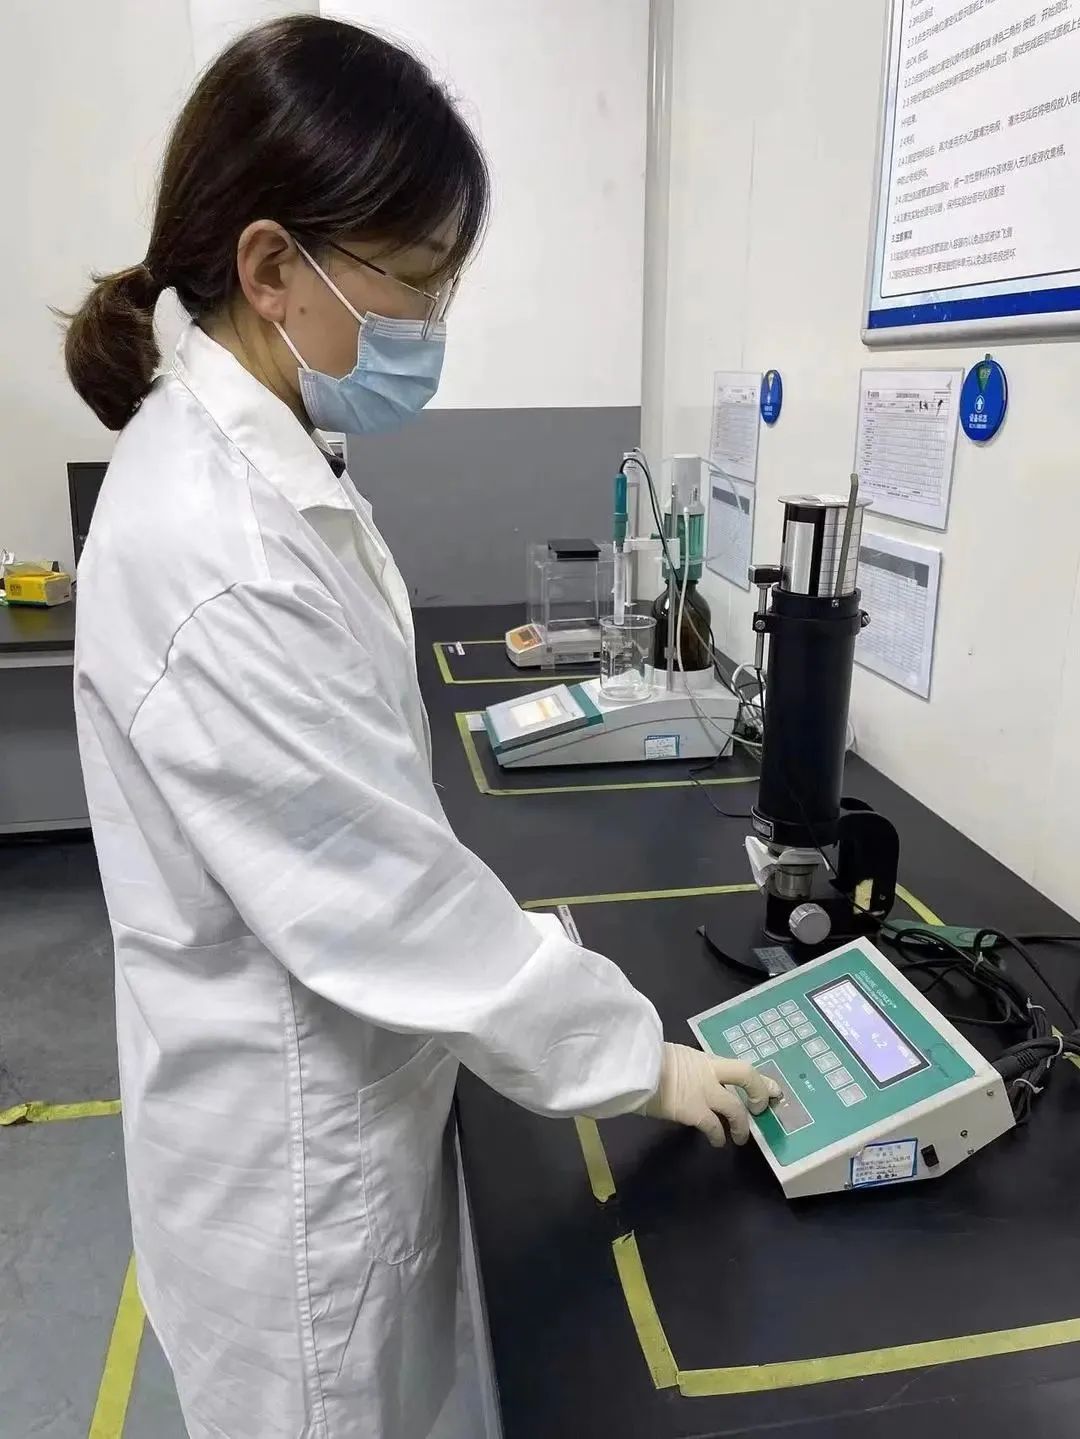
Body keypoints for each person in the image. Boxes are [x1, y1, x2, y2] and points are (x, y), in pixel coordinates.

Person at [63, 16, 777, 1439]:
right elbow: (381, 899)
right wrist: (639, 1059)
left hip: (340, 1095)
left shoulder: (271, 468)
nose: (431, 327)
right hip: (293, 1169)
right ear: (273, 267)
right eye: (418, 282)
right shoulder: (217, 546)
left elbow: (357, 821)